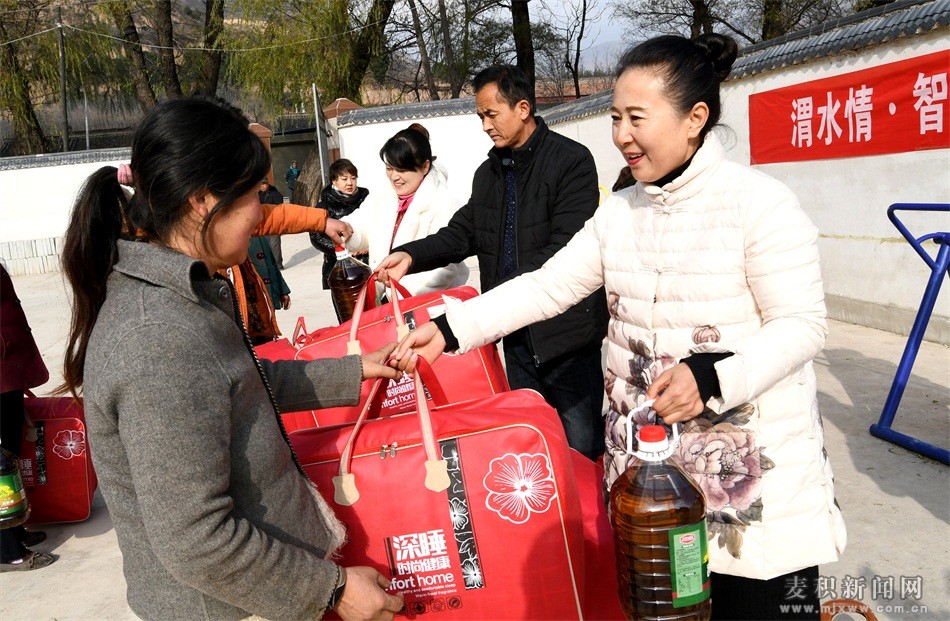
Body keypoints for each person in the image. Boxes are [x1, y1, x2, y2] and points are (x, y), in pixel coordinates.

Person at [391, 34, 846, 621]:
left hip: (746, 479)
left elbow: (802, 325)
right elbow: (549, 286)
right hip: (650, 480)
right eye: (614, 118)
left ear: (694, 119)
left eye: (637, 118)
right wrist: (452, 328)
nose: (622, 135)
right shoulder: (620, 215)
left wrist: (712, 377)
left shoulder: (760, 205)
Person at [58, 96, 404, 620]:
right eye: (254, 196)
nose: (262, 215)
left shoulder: (183, 292)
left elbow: (236, 384)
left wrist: (353, 370)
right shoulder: (156, 338)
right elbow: (196, 539)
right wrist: (333, 591)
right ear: (202, 200)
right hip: (229, 607)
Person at [376, 65, 609, 460]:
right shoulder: (488, 174)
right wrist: (411, 255)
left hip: (566, 337)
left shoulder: (571, 162)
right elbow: (463, 233)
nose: (485, 125)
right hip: (514, 335)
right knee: (534, 453)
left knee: (581, 450)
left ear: (523, 108)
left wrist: (486, 310)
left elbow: (564, 252)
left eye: (491, 114)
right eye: (480, 116)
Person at [344, 126, 468, 296]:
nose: (394, 176)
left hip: (425, 301)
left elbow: (445, 267)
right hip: (388, 299)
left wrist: (401, 293)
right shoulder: (383, 196)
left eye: (402, 170)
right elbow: (362, 224)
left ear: (425, 166)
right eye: (389, 168)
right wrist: (347, 229)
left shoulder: (444, 203)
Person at [0, 265, 56, 572]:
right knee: (0, 462)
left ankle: (14, 526)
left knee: (9, 452)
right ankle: (6, 550)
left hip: (7, 371)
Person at [310, 159, 370, 288]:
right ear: (334, 180)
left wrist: (370, 246)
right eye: (344, 179)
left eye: (353, 178)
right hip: (340, 267)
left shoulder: (367, 200)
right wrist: (343, 250)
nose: (349, 183)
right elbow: (316, 237)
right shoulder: (324, 206)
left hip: (370, 262)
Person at [259, 179, 285, 269]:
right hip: (263, 224)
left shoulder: (275, 194)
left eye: (264, 184)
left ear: (268, 184)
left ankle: (278, 265)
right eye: (260, 184)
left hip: (274, 224)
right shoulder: (258, 195)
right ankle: (271, 264)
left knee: (274, 245)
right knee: (266, 246)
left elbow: (280, 209)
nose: (262, 186)